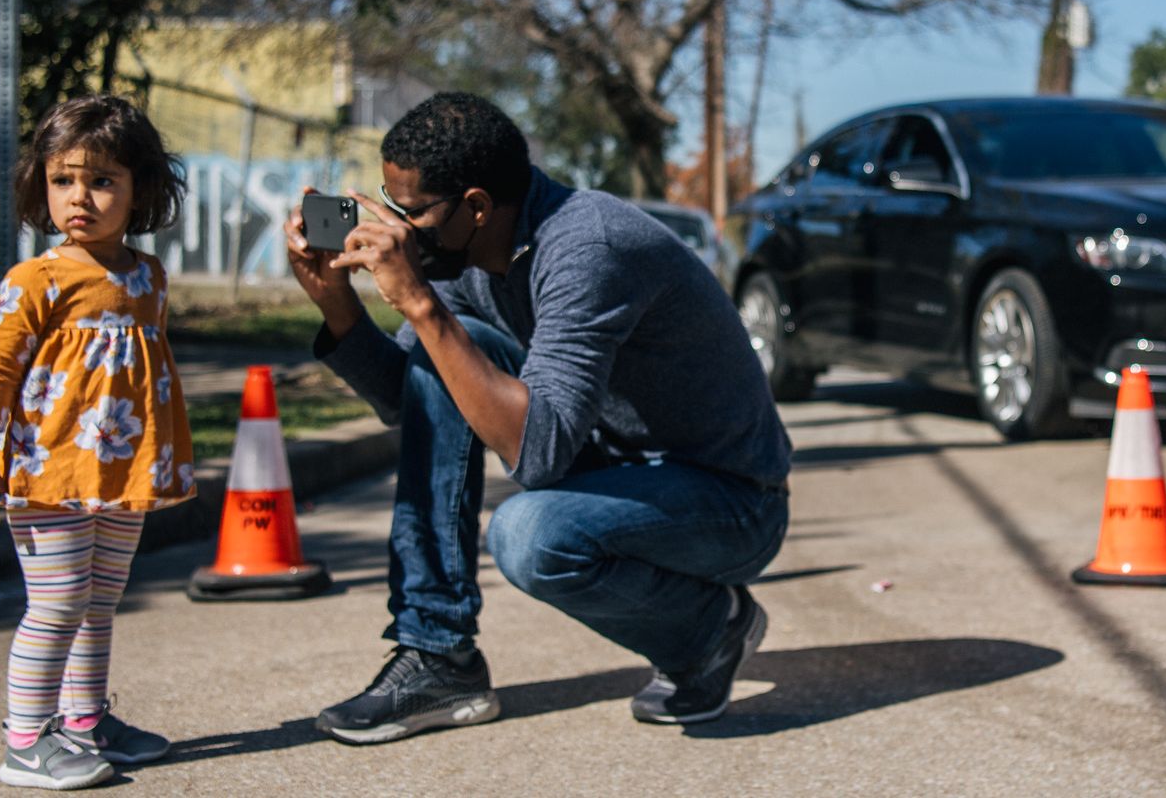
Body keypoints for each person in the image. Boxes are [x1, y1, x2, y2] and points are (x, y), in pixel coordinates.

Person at [284, 92, 791, 744]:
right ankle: (439, 656)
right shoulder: (464, 255)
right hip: (612, 469)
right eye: (386, 200)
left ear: (475, 206)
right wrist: (337, 306)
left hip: (727, 500)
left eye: (410, 211)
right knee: (449, 348)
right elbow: (406, 403)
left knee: (531, 536)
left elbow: (539, 453)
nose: (398, 226)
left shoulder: (589, 247)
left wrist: (418, 303)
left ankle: (708, 627)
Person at [0, 95, 194, 790]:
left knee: (99, 600)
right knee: (57, 603)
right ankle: (27, 740)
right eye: (64, 180)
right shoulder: (36, 278)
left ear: (140, 189)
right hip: (48, 469)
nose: (80, 197)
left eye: (101, 181)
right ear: (43, 185)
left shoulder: (148, 276)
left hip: (121, 471)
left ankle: (85, 722)